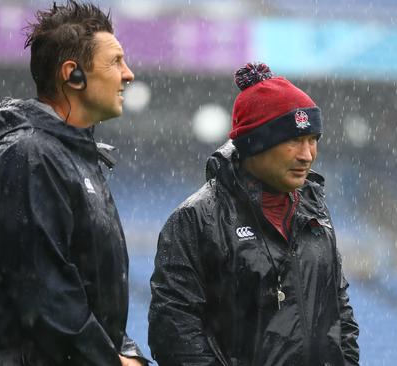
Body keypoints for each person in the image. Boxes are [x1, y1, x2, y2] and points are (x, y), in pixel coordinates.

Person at [0, 1, 147, 365]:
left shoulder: (70, 157)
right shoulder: (29, 157)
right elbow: (44, 293)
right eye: (116, 61)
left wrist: (124, 351)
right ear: (73, 75)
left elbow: (88, 296)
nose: (129, 74)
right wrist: (111, 360)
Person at [148, 62, 360, 366]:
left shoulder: (316, 213)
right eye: (293, 140)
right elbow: (174, 332)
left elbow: (340, 313)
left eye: (313, 139)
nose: (307, 154)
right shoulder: (196, 219)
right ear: (255, 145)